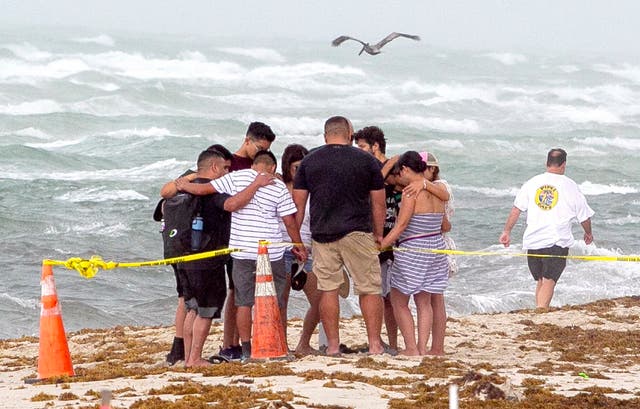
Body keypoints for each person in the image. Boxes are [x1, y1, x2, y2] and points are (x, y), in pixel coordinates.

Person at [161, 122, 277, 361]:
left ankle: (186, 356)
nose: (227, 173)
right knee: (205, 310)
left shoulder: (186, 188)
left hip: (183, 254)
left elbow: (165, 198)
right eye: (224, 168)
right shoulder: (213, 190)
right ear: (214, 166)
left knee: (191, 306)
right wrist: (256, 184)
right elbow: (231, 205)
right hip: (209, 256)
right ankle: (194, 358)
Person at [177, 150, 307, 361]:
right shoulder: (278, 185)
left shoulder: (235, 177)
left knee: (244, 302)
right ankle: (272, 343)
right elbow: (289, 221)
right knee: (274, 300)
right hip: (271, 252)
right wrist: (298, 244)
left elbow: (204, 189)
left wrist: (183, 185)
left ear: (253, 165)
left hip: (242, 251)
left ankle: (246, 349)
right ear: (273, 168)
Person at [293, 116, 387, 356]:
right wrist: (378, 233)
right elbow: (379, 202)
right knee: (369, 288)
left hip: (322, 233)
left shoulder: (309, 161)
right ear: (349, 134)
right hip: (358, 230)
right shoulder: (366, 160)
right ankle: (375, 344)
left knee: (328, 289)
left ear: (325, 136)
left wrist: (296, 240)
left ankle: (333, 346)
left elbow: (298, 205)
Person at [499, 148, 594, 308]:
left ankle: (539, 312)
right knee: (549, 281)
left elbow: (516, 209)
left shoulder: (532, 182)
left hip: (533, 240)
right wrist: (588, 233)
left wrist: (507, 231)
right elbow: (584, 216)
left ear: (547, 163)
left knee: (542, 280)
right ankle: (540, 312)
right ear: (563, 165)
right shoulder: (570, 186)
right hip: (556, 241)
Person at [380, 151, 450, 356]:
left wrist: (382, 245)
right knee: (424, 301)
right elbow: (445, 218)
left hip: (413, 250)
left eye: (400, 171)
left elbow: (400, 226)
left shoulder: (411, 193)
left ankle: (411, 348)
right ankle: (422, 347)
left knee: (398, 300)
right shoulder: (439, 191)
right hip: (435, 248)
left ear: (405, 169)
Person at [354, 126, 397, 350]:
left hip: (393, 237)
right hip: (371, 236)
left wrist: (389, 165)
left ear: (375, 146)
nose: (358, 151)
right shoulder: (367, 168)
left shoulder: (393, 168)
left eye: (361, 146)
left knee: (390, 296)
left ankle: (392, 341)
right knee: (374, 293)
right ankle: (378, 339)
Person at [279, 144, 321, 355]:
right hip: (283, 248)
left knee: (320, 300)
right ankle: (282, 345)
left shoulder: (312, 188)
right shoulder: (279, 187)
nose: (300, 172)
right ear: (287, 167)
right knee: (281, 302)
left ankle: (303, 343)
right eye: (296, 167)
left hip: (308, 250)